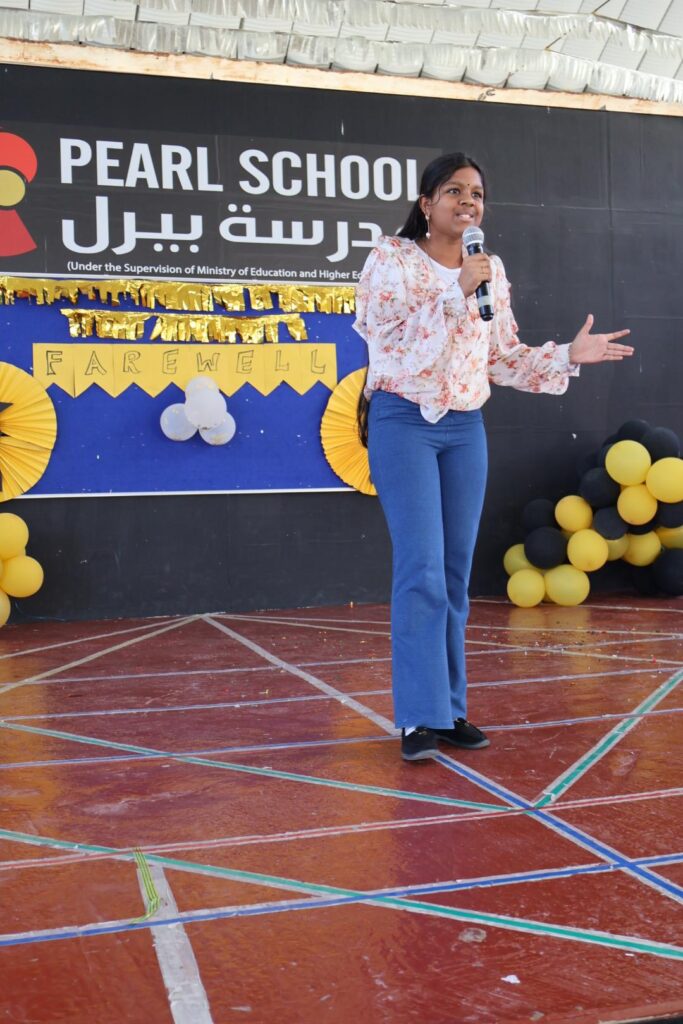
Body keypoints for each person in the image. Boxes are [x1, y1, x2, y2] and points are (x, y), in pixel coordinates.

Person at [352, 152, 634, 762]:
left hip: (464, 427)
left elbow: (500, 357)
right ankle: (418, 716)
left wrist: (566, 355)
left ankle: (450, 710)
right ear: (426, 203)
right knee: (422, 569)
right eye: (454, 191)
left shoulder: (490, 269)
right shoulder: (391, 258)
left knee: (455, 572)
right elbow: (385, 339)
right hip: (404, 420)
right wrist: (455, 292)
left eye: (476, 193)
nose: (468, 202)